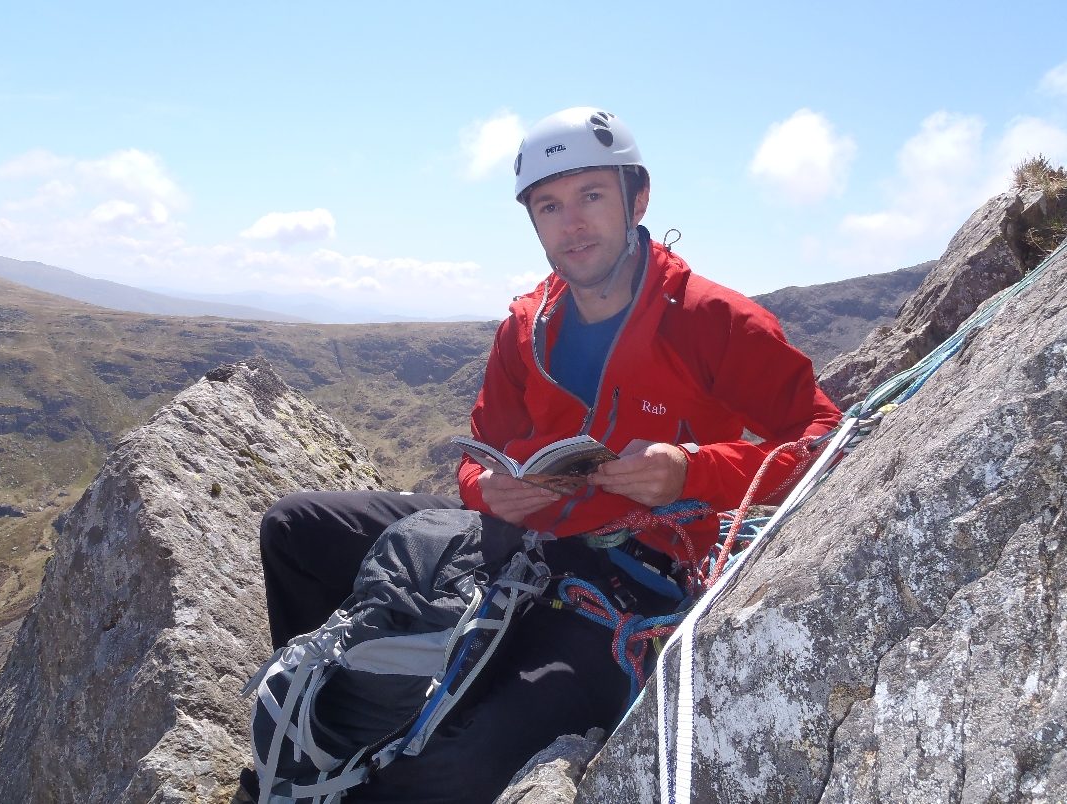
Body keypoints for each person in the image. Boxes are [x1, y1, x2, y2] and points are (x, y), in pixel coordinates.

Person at [257, 107, 840, 803]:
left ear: (638, 199)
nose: (573, 224)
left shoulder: (713, 322)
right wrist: (486, 491)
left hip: (627, 575)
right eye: (550, 206)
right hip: (510, 537)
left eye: (592, 196)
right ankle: (330, 712)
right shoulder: (527, 326)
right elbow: (480, 454)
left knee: (456, 768)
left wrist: (692, 470)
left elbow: (823, 441)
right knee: (294, 529)